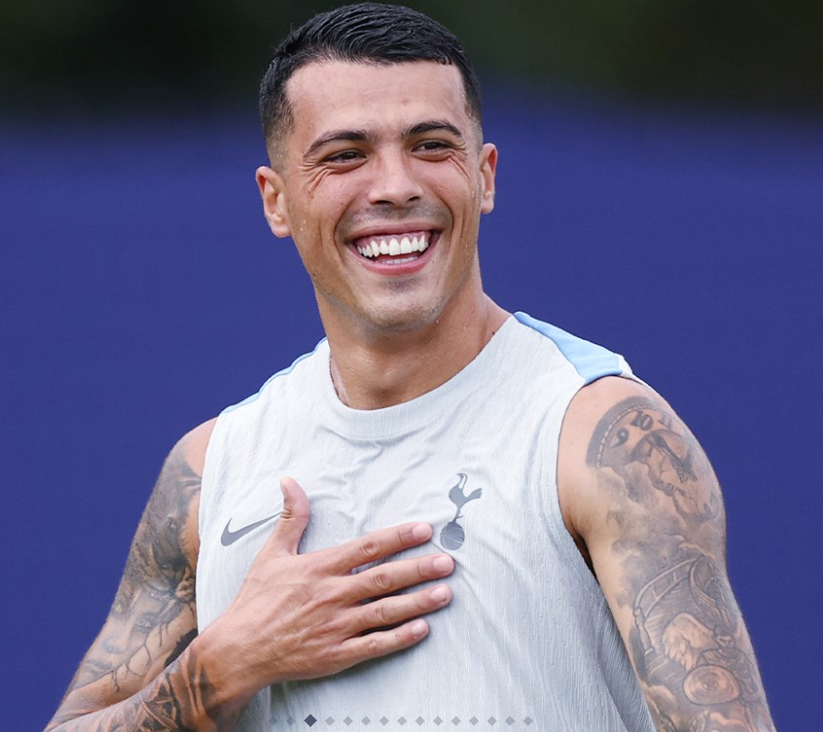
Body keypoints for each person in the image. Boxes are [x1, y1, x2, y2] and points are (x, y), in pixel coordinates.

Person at [44, 4, 776, 731]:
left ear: (484, 177)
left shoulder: (603, 436)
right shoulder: (211, 469)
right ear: (276, 200)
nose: (394, 185)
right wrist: (223, 667)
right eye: (345, 155)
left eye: (430, 146)